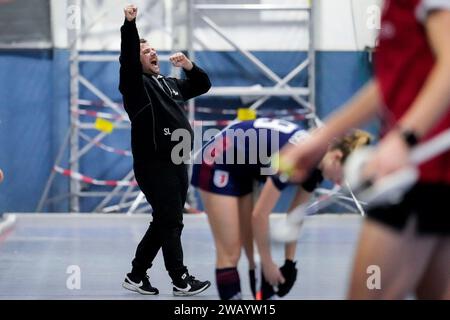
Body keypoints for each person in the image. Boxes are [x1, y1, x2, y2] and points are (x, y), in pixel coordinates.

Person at [279, 1, 450, 299]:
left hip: (421, 173)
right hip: (423, 175)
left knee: (368, 292)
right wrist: (321, 139)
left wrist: (403, 139)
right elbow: (390, 83)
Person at [191, 117, 371, 299]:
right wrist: (268, 265)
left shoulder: (319, 161)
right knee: (230, 253)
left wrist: (289, 263)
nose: (341, 183)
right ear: (337, 157)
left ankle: (258, 290)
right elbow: (260, 215)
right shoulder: (298, 159)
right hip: (218, 159)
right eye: (345, 175)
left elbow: (295, 216)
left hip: (242, 165)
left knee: (253, 256)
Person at [119, 4, 211, 296]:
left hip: (177, 162)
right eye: (146, 52)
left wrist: (188, 66)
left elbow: (202, 85)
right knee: (172, 220)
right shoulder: (136, 86)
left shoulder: (168, 84)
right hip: (154, 164)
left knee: (164, 219)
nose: (153, 54)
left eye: (154, 51)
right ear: (135, 61)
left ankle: (136, 275)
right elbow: (128, 60)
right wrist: (129, 24)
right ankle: (180, 279)